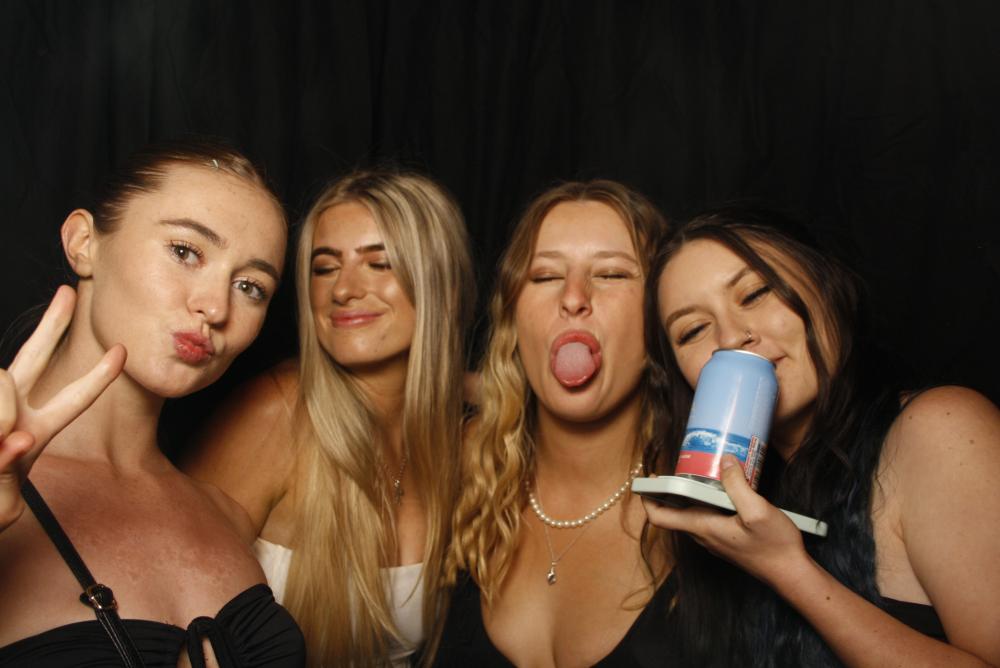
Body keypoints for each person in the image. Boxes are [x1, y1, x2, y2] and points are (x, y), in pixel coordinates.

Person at [642, 207, 1000, 667]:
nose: (731, 337)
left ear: (825, 283)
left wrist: (787, 569)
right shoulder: (743, 506)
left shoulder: (941, 428)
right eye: (693, 330)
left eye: (755, 293)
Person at [0, 138, 305, 666]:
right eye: (185, 252)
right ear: (84, 243)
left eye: (250, 287)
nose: (215, 307)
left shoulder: (225, 512)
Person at [182, 169, 475, 667]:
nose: (343, 289)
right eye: (324, 268)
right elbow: (169, 609)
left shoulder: (460, 442)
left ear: (442, 286)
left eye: (378, 263)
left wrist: (477, 385)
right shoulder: (277, 414)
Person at [438, 180, 672, 667]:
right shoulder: (460, 474)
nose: (573, 297)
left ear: (661, 315)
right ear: (514, 318)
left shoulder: (708, 499)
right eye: (544, 276)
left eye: (611, 273)